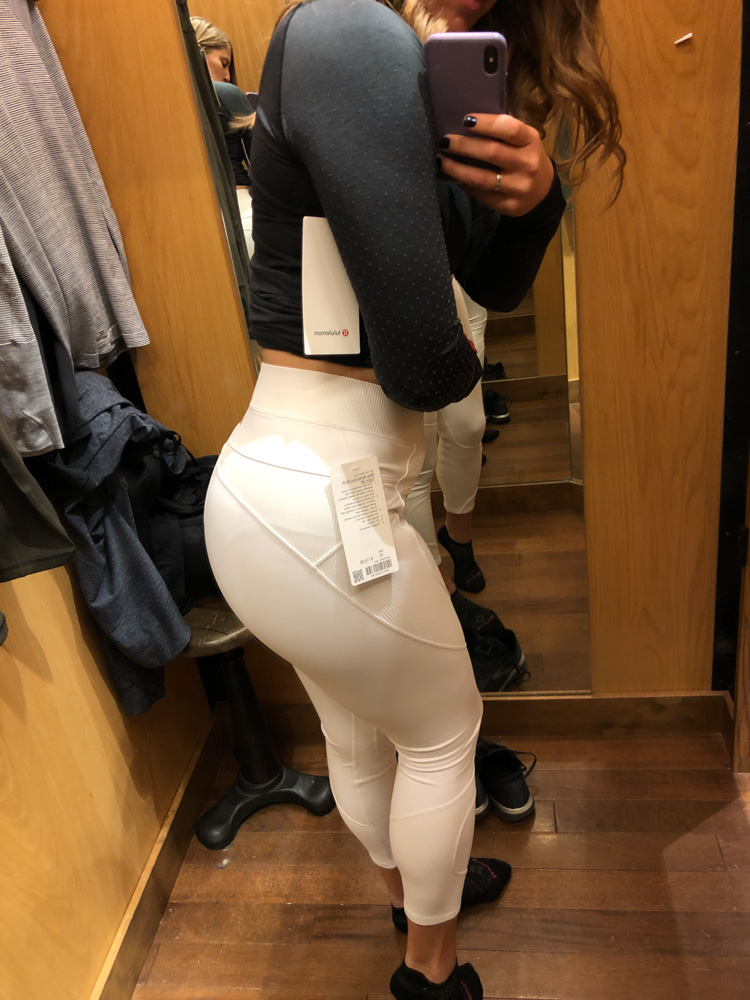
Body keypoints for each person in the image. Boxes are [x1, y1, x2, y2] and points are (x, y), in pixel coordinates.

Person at [203, 2, 623, 997]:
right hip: (319, 492)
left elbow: (488, 286)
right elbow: (427, 363)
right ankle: (431, 971)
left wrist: (537, 200)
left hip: (300, 495)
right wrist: (446, 345)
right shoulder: (352, 33)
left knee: (361, 734)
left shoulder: (391, 59)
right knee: (444, 732)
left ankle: (413, 898)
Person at [191, 17, 255, 257]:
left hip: (194, 219)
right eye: (224, 63)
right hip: (241, 209)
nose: (227, 75)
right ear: (199, 51)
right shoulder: (225, 93)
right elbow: (263, 160)